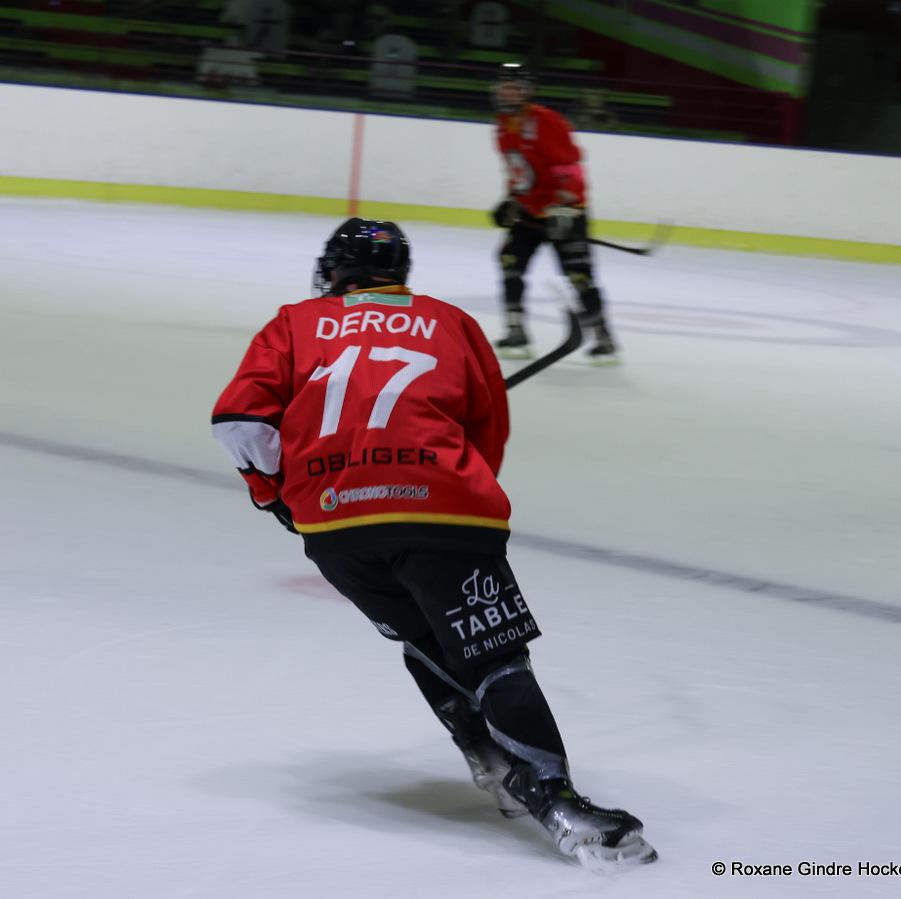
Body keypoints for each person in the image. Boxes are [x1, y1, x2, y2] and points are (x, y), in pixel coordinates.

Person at [211, 218, 656, 869]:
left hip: (335, 529)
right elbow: (487, 433)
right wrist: (449, 488)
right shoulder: (449, 322)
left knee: (426, 638)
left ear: (334, 270)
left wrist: (278, 493)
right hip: (441, 516)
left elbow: (238, 419)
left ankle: (490, 756)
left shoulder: (297, 321)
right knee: (496, 658)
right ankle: (557, 802)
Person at [491, 63, 618, 362]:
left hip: (566, 211)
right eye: (504, 87)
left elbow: (570, 167)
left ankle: (603, 336)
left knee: (578, 276)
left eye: (515, 88)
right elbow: (519, 171)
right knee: (509, 262)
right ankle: (516, 329)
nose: (508, 93)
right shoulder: (502, 126)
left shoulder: (546, 120)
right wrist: (510, 200)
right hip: (529, 213)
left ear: (527, 92)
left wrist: (566, 204)